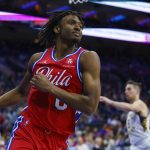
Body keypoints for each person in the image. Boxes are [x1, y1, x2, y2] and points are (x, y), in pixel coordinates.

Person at [0, 10, 101, 150]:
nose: (78, 27)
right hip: (29, 129)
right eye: (72, 23)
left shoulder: (87, 58)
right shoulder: (37, 59)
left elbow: (90, 106)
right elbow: (20, 93)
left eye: (80, 25)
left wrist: (51, 88)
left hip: (58, 139)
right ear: (57, 28)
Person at [100, 80, 150, 150]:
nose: (126, 91)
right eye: (125, 89)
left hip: (145, 145)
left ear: (137, 91)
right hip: (135, 146)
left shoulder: (140, 104)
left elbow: (130, 107)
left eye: (129, 89)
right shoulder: (130, 112)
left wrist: (109, 102)